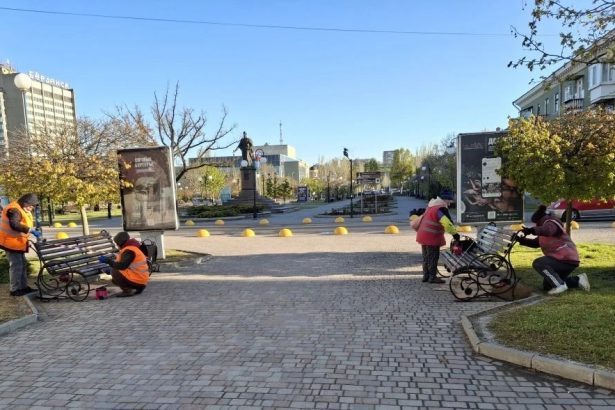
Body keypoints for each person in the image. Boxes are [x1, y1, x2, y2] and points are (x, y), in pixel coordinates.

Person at [517, 204, 590, 295]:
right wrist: (521, 240)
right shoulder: (544, 229)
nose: (536, 224)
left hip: (565, 258)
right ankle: (578, 280)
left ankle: (559, 285)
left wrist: (532, 230)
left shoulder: (551, 223)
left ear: (540, 220)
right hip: (562, 260)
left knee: (539, 263)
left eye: (536, 222)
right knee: (548, 286)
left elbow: (548, 230)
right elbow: (536, 243)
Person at [0, 193, 42, 296]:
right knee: (16, 266)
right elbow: (15, 224)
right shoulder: (14, 210)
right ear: (25, 203)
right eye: (31, 206)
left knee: (22, 265)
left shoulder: (21, 209)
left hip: (17, 242)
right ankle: (15, 290)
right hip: (10, 243)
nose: (31, 208)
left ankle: (23, 287)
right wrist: (30, 230)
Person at [416, 191, 459, 283]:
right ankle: (432, 277)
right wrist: (455, 234)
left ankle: (426, 276)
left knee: (426, 257)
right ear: (445, 200)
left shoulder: (431, 206)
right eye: (449, 200)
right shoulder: (440, 208)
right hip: (431, 236)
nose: (450, 203)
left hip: (423, 234)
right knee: (433, 257)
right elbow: (447, 223)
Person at [98, 231, 149, 297]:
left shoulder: (128, 251)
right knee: (114, 278)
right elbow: (129, 265)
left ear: (120, 243)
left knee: (115, 271)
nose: (117, 246)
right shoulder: (134, 247)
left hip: (138, 280)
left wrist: (108, 261)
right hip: (143, 280)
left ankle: (127, 291)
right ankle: (138, 288)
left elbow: (122, 266)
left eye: (117, 244)